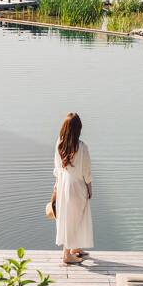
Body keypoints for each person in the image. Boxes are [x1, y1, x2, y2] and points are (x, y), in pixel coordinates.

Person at [51, 113, 93, 265]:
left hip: (63, 185)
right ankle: (66, 255)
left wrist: (56, 186)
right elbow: (86, 172)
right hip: (77, 187)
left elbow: (57, 168)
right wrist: (90, 189)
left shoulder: (59, 143)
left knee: (67, 217)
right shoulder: (82, 147)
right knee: (75, 218)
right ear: (78, 129)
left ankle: (74, 247)